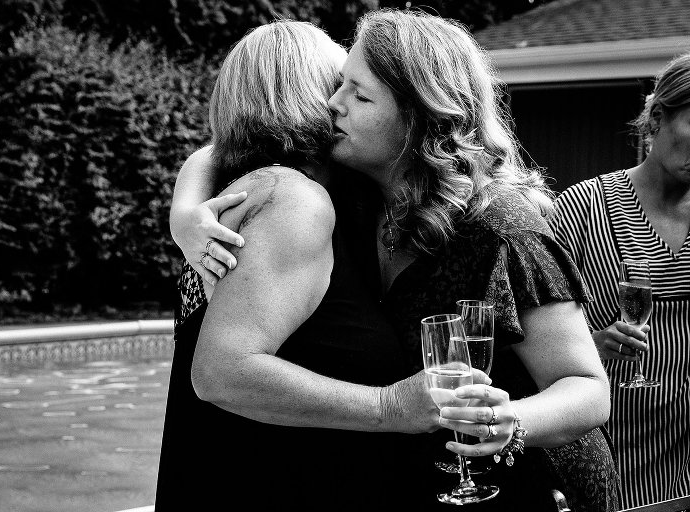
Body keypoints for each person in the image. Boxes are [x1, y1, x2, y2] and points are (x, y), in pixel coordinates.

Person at [172, 9, 619, 511]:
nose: (332, 105)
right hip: (423, 488)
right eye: (338, 85)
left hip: (530, 488)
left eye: (358, 95)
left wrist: (508, 422)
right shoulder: (356, 203)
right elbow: (235, 140)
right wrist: (184, 212)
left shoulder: (500, 226)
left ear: (420, 118)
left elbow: (586, 389)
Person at [157, 19, 482, 511]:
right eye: (338, 85)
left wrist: (182, 209)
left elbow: (207, 152)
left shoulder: (244, 192)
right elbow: (221, 373)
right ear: (309, 96)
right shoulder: (294, 201)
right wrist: (389, 406)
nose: (341, 103)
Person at [552, 52, 690, 509]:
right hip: (610, 461)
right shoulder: (580, 209)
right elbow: (526, 346)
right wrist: (592, 341)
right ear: (657, 117)